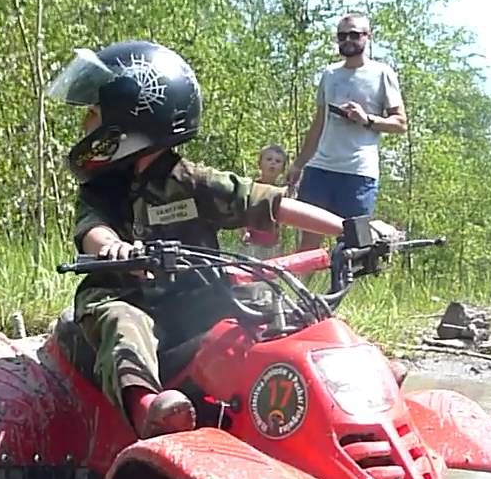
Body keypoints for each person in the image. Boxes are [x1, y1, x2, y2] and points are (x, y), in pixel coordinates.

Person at [50, 40, 374, 439]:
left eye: (93, 113)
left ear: (129, 121)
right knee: (122, 324)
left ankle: (349, 383)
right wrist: (114, 248)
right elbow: (93, 231)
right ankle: (148, 409)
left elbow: (269, 203)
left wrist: (350, 229)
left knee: (277, 300)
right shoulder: (101, 189)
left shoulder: (193, 180)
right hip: (124, 295)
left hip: (194, 299)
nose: (85, 123)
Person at [288, 12, 407, 251]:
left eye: (354, 34)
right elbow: (318, 124)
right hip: (320, 169)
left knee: (355, 245)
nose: (348, 40)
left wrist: (366, 119)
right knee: (308, 243)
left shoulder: (382, 74)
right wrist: (298, 165)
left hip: (358, 173)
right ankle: (299, 289)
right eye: (342, 36)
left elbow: (401, 123)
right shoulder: (330, 74)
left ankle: (340, 289)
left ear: (368, 37)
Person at [240, 143, 289, 259]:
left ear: (283, 168)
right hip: (251, 240)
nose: (273, 163)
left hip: (273, 244)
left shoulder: (282, 192)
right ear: (260, 164)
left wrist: (284, 240)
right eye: (269, 159)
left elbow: (285, 221)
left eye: (278, 161)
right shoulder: (252, 187)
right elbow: (243, 210)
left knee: (269, 274)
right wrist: (243, 232)